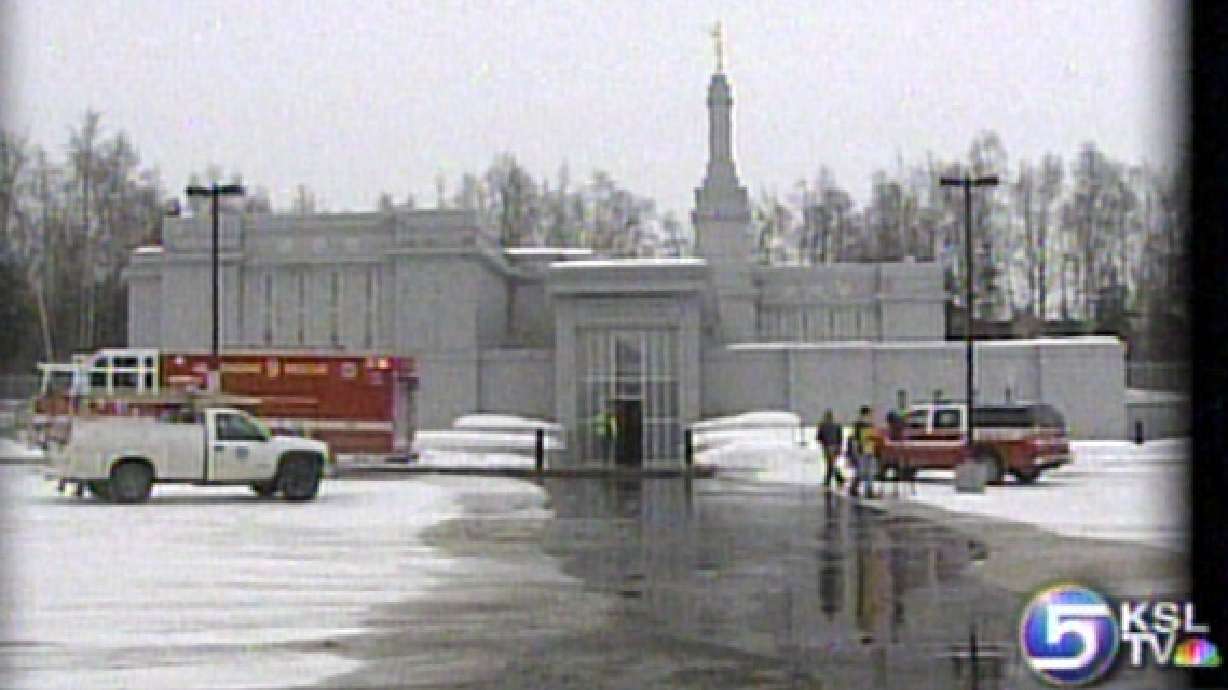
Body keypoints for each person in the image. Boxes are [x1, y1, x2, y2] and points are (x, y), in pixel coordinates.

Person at [848, 405, 879, 498]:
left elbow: (873, 436)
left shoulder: (870, 425)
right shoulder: (858, 425)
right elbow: (855, 439)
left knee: (869, 472)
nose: (870, 415)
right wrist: (856, 449)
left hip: (869, 449)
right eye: (869, 413)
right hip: (861, 450)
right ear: (865, 414)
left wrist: (874, 440)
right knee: (861, 472)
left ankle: (869, 490)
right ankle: (854, 487)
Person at [817, 409, 844, 490]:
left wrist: (823, 442)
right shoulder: (837, 425)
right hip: (835, 446)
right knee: (831, 463)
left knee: (830, 463)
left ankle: (833, 479)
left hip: (827, 446)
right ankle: (836, 479)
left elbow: (819, 437)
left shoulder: (822, 426)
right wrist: (839, 446)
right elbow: (840, 437)